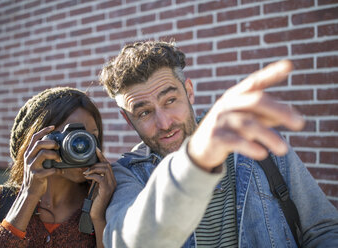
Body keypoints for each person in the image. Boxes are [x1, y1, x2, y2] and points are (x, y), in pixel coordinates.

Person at [99, 40, 338, 247]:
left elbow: (323, 230)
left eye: (170, 100)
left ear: (189, 92)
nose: (164, 123)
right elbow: (127, 242)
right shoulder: (127, 174)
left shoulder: (256, 142)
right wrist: (195, 161)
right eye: (144, 113)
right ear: (127, 119)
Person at [0, 87, 116, 248]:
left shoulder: (108, 200)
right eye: (73, 137)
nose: (83, 146)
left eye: (91, 137)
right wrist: (28, 196)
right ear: (36, 142)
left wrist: (99, 217)